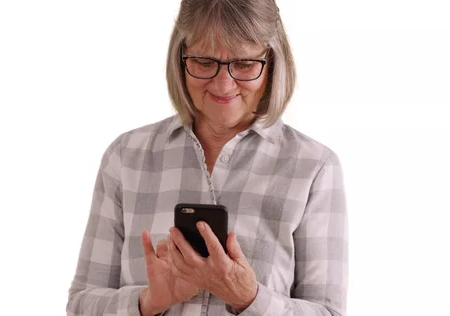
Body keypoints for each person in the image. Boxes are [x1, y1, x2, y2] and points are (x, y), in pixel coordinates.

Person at [66, 0, 348, 315]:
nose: (223, 84)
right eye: (203, 61)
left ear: (272, 62)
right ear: (180, 57)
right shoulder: (126, 156)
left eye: (243, 64)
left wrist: (249, 298)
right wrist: (149, 301)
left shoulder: (315, 167)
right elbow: (80, 304)